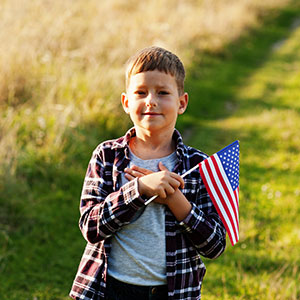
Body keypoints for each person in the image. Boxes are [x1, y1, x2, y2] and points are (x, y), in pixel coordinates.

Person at [69, 46, 226, 300]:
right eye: (141, 92)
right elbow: (91, 227)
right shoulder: (107, 155)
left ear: (182, 102)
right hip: (110, 289)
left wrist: (175, 200)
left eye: (162, 92)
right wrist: (139, 190)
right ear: (126, 102)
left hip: (172, 292)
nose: (151, 100)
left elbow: (215, 245)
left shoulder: (199, 165)